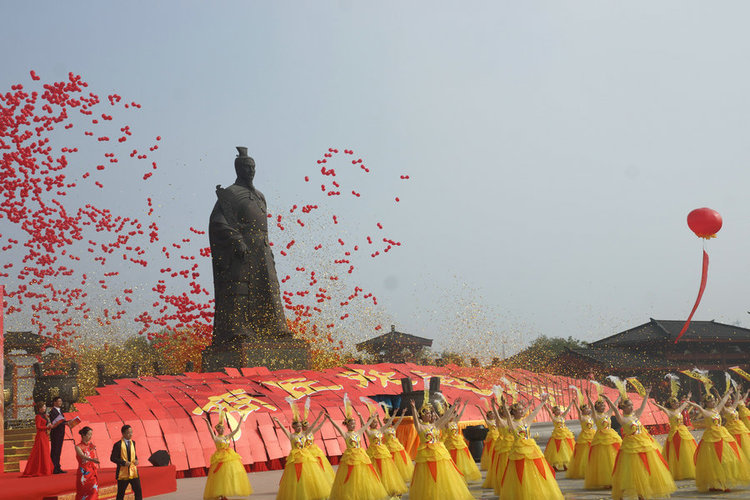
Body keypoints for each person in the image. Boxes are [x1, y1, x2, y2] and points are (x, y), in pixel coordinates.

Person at [602, 389, 676, 500]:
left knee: (644, 468)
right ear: (623, 408)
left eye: (632, 405)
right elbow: (614, 410)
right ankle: (625, 493)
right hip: (630, 448)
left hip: (643, 444)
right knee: (630, 471)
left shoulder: (636, 416)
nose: (631, 407)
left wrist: (646, 395)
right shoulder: (622, 419)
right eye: (628, 406)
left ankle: (642, 494)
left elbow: (642, 407)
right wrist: (608, 400)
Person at [497, 395, 564, 500]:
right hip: (518, 450)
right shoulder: (511, 423)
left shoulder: (526, 421)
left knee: (537, 470)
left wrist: (542, 402)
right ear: (513, 412)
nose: (521, 411)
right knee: (521, 472)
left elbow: (535, 412)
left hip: (531, 449)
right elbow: (507, 416)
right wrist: (504, 406)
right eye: (518, 410)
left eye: (521, 409)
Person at [407, 397, 474, 500]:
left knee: (443, 476)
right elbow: (415, 419)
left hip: (439, 453)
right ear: (422, 416)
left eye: (430, 413)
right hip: (426, 456)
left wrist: (453, 407)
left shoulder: (435, 425)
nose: (430, 415)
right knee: (428, 478)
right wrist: (413, 408)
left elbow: (445, 418)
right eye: (427, 413)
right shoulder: (420, 427)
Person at [687, 390, 750, 492]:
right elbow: (698, 407)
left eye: (713, 401)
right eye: (710, 401)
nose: (712, 402)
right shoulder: (705, 412)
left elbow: (722, 401)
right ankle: (716, 484)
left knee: (727, 460)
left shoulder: (717, 409)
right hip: (710, 439)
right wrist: (688, 402)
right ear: (706, 403)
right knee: (713, 462)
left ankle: (724, 482)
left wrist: (729, 393)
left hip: (722, 436)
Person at [325, 401, 389, 500]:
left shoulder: (358, 433)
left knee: (363, 475)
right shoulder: (346, 434)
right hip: (350, 457)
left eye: (354, 424)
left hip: (360, 456)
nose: (353, 426)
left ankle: (363, 492)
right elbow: (337, 427)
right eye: (351, 424)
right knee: (351, 476)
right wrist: (330, 419)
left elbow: (365, 425)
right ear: (347, 425)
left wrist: (371, 418)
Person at [273, 413, 331, 500]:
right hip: (295, 458)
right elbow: (284, 430)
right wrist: (278, 422)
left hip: (305, 456)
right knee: (297, 476)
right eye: (297, 427)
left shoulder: (304, 434)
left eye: (300, 426)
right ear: (294, 428)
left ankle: (310, 490)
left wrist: (319, 417)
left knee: (309, 474)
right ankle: (297, 491)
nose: (299, 428)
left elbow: (313, 427)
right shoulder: (292, 436)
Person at [202, 412, 252, 500]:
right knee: (220, 475)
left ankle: (224, 492)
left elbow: (236, 430)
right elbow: (210, 431)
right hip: (219, 458)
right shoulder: (216, 438)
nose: (221, 430)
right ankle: (221, 494)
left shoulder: (227, 437)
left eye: (222, 429)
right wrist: (207, 423)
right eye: (220, 429)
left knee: (227, 475)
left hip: (228, 456)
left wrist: (240, 419)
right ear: (217, 430)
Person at [362, 409, 408, 496]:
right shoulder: (369, 432)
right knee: (375, 469)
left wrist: (395, 414)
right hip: (373, 452)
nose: (375, 424)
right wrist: (363, 417)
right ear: (370, 423)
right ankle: (377, 486)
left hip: (382, 451)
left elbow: (388, 423)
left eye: (376, 422)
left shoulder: (381, 430)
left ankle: (386, 486)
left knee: (385, 469)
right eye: (373, 422)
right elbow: (365, 425)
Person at [653, 392, 697, 480]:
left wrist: (688, 397)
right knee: (676, 452)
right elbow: (663, 408)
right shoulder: (669, 412)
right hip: (675, 434)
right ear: (671, 404)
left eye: (677, 403)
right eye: (674, 403)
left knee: (686, 451)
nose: (676, 404)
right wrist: (655, 404)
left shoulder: (679, 410)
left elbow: (685, 404)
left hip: (683, 432)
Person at [583, 391, 622, 490]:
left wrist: (617, 397)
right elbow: (591, 406)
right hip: (601, 439)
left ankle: (616, 478)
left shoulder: (607, 414)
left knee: (614, 457)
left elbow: (614, 407)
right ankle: (607, 480)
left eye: (604, 405)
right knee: (605, 460)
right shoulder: (596, 416)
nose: (603, 407)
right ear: (597, 408)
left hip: (611, 437)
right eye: (601, 406)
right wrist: (588, 397)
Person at [442, 400, 481, 483]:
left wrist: (464, 406)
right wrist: (446, 409)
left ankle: (461, 474)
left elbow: (461, 414)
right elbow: (445, 416)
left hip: (458, 442)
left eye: (453, 413)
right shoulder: (446, 424)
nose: (452, 415)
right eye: (451, 414)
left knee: (461, 459)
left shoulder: (455, 422)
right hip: (450, 443)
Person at [301, 408, 335, 483]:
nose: (308, 427)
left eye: (308, 425)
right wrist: (318, 417)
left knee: (319, 465)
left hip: (314, 450)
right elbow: (313, 426)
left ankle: (321, 479)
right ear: (303, 427)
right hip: (307, 452)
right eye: (306, 426)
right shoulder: (303, 434)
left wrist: (324, 420)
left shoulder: (311, 432)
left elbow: (318, 427)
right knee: (310, 467)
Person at [110, 425, 142, 500]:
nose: (131, 434)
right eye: (128, 433)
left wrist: (136, 460)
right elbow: (112, 458)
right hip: (123, 473)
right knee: (121, 493)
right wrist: (123, 462)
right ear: (123, 434)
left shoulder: (133, 443)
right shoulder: (118, 445)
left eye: (131, 432)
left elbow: (133, 454)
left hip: (133, 472)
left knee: (138, 491)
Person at [22, 401, 54, 476]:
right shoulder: (38, 416)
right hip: (40, 436)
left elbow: (46, 424)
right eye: (43, 407)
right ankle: (41, 469)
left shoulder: (45, 416)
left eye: (45, 406)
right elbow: (38, 427)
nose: (45, 408)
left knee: (45, 452)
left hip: (45, 435)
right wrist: (47, 427)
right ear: (39, 408)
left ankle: (46, 469)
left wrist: (49, 426)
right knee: (40, 452)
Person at [542, 399, 575, 471]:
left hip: (565, 433)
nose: (558, 411)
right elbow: (548, 411)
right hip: (557, 434)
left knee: (565, 448)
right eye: (557, 410)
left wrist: (571, 403)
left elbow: (567, 410)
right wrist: (544, 404)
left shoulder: (562, 416)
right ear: (554, 412)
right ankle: (555, 464)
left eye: (559, 410)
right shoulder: (554, 418)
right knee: (558, 449)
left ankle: (565, 464)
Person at [381, 408, 413, 483]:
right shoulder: (384, 430)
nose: (390, 422)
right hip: (389, 446)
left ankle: (400, 474)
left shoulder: (393, 428)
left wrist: (402, 414)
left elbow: (399, 421)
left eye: (390, 421)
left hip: (397, 445)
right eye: (387, 421)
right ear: (385, 422)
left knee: (401, 460)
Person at [566, 400, 595, 479]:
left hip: (592, 434)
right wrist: (575, 403)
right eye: (586, 409)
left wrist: (589, 399)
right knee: (585, 453)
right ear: (583, 411)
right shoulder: (582, 418)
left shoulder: (590, 416)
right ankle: (585, 470)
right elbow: (578, 411)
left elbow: (593, 408)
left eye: (588, 408)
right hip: (585, 436)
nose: (588, 409)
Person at [722, 389, 750, 464]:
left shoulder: (733, 407)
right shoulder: (725, 409)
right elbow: (721, 402)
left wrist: (738, 391)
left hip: (740, 427)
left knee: (745, 443)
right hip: (732, 429)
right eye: (728, 400)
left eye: (730, 400)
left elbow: (737, 400)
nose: (730, 401)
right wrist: (719, 396)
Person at [75, 426, 100, 500]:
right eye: (89, 434)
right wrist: (92, 460)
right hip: (83, 473)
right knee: (83, 493)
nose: (90, 436)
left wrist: (94, 459)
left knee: (94, 490)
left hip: (92, 472)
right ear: (83, 435)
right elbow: (82, 456)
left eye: (91, 434)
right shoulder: (78, 447)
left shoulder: (91, 445)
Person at [477, 405, 499, 471]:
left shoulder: (496, 420)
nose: (492, 415)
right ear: (489, 416)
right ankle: (491, 463)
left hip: (497, 435)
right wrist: (480, 408)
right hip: (491, 437)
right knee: (491, 450)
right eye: (491, 414)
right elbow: (483, 416)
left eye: (493, 414)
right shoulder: (488, 421)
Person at [48, 396, 67, 474]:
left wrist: (68, 422)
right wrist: (63, 422)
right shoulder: (52, 411)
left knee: (58, 450)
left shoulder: (60, 411)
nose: (60, 403)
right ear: (54, 402)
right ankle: (54, 468)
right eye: (59, 401)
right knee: (55, 450)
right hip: (55, 433)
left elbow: (61, 421)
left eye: (61, 401)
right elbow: (55, 422)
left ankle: (57, 467)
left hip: (61, 432)